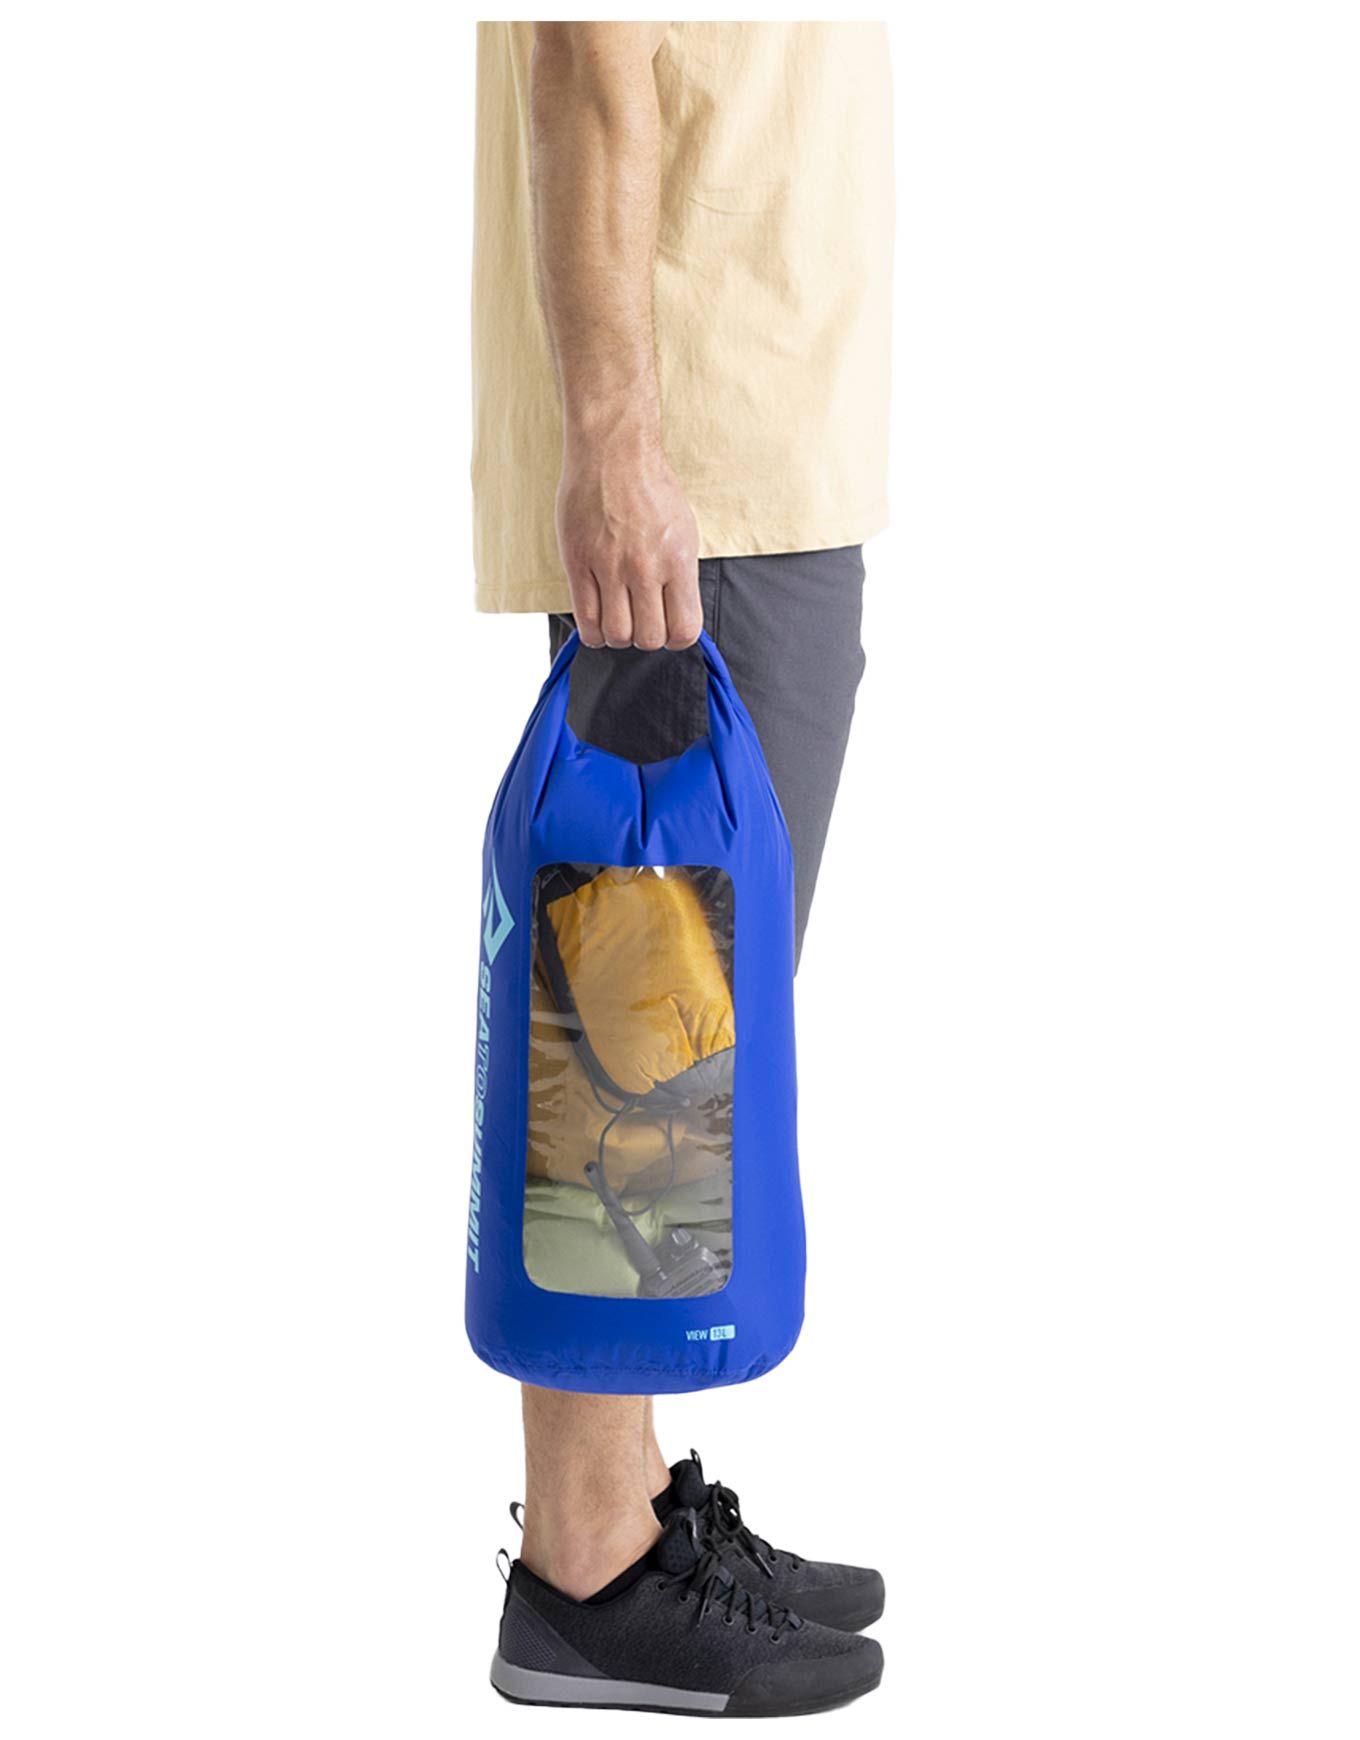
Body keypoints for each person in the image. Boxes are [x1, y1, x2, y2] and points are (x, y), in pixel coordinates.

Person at [472, 22, 893, 1717]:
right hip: (703, 468)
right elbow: (585, 62)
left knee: (682, 1042)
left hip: (749, 433)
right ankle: (586, 1563)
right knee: (655, 1045)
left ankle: (624, 1506)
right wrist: (620, 447)